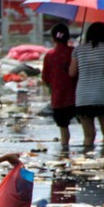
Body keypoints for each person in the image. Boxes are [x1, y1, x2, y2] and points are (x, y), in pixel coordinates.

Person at [69, 22, 104, 152]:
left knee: (89, 135)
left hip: (83, 96)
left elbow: (71, 73)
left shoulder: (78, 49)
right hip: (102, 95)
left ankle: (86, 161)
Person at [42, 23, 77, 152]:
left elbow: (45, 77)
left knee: (63, 128)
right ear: (68, 37)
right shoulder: (74, 52)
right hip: (76, 96)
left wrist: (51, 88)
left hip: (59, 98)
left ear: (53, 38)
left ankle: (65, 150)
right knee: (87, 127)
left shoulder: (50, 55)